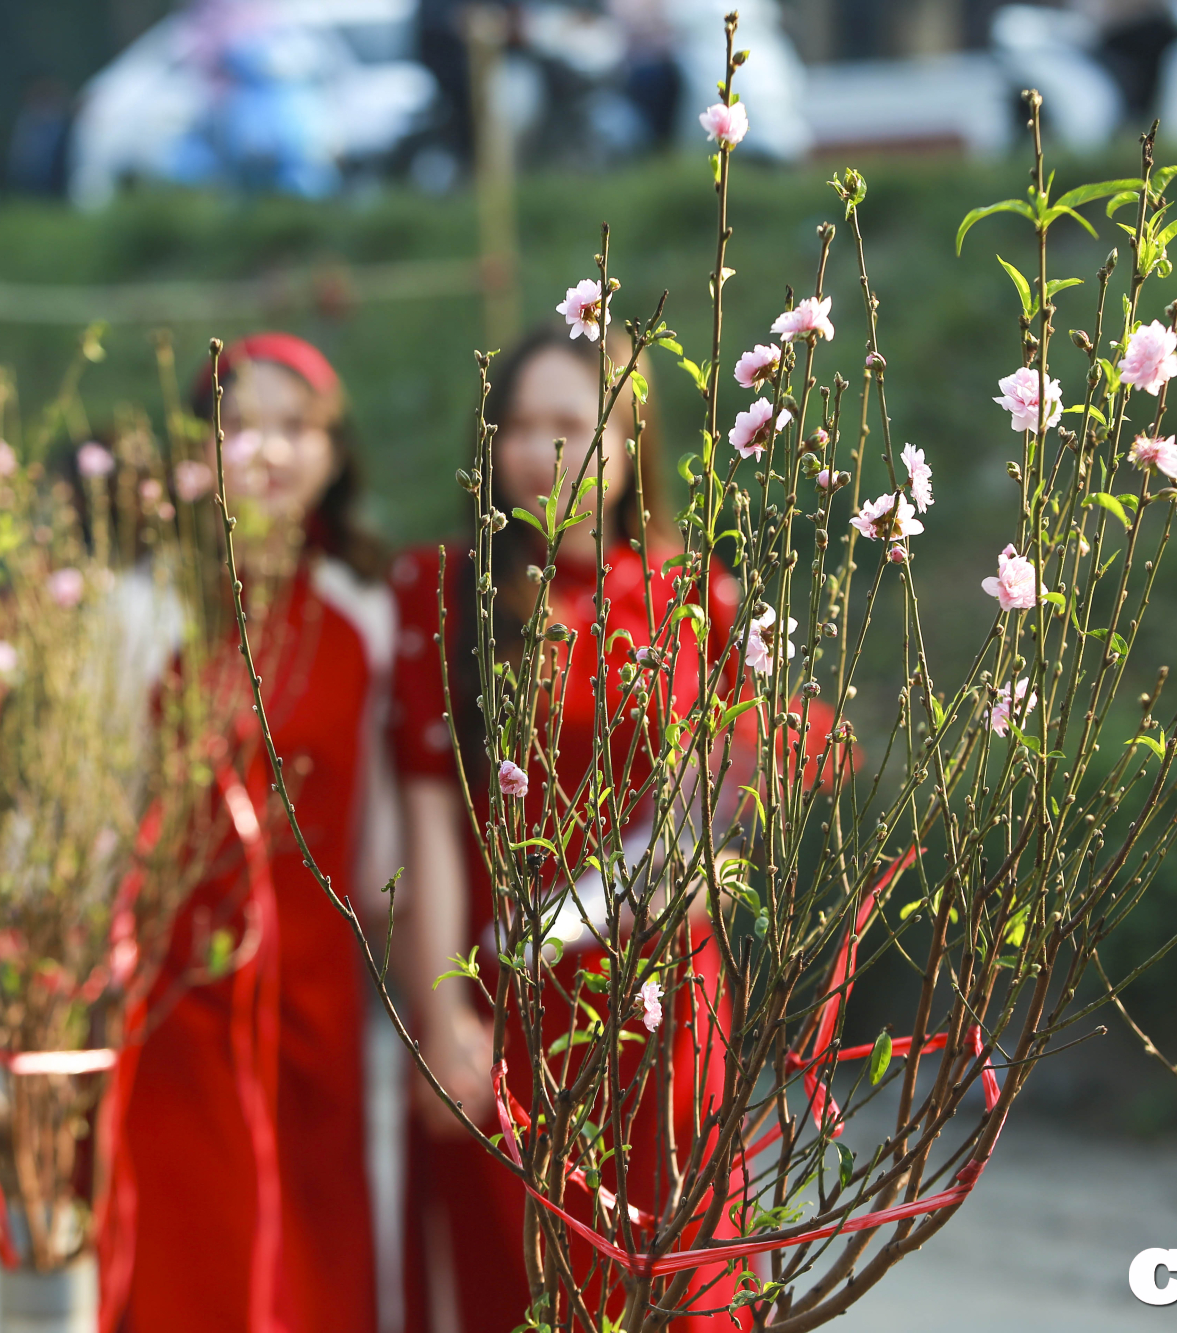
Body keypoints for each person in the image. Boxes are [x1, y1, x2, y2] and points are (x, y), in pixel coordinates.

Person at [390, 325, 748, 1333]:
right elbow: (426, 816)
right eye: (519, 425)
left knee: (673, 1286)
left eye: (574, 426)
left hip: (662, 1007)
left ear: (632, 443)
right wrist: (447, 1017)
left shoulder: (696, 599)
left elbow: (720, 815)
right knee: (515, 1287)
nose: (542, 451)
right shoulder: (442, 594)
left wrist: (680, 877)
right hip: (506, 1009)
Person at [105, 333, 393, 1333]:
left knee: (315, 1251)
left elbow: (385, 827)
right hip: (174, 1002)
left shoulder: (369, 611)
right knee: (192, 1254)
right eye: (241, 427)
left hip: (318, 1000)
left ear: (334, 452)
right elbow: (108, 812)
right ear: (199, 452)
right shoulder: (147, 612)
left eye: (295, 429)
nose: (268, 453)